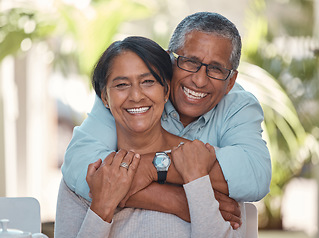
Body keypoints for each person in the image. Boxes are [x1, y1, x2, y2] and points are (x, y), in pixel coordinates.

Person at [62, 11, 271, 222]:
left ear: (231, 81)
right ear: (169, 59)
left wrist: (153, 167)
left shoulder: (239, 105)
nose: (199, 80)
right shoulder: (127, 95)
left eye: (216, 69)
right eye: (190, 61)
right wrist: (180, 201)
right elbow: (81, 167)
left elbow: (255, 175)